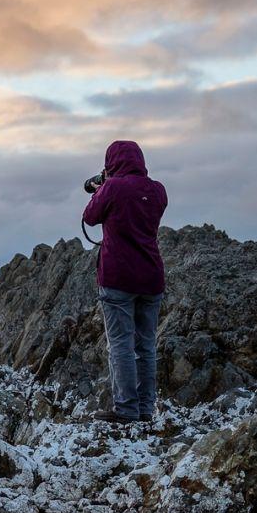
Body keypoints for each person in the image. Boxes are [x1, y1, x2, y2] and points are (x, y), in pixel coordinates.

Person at [82, 139, 167, 424]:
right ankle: (146, 409)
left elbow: (90, 217)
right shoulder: (158, 191)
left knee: (120, 344)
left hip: (118, 277)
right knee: (146, 346)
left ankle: (126, 409)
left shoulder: (113, 188)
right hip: (151, 277)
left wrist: (102, 188)